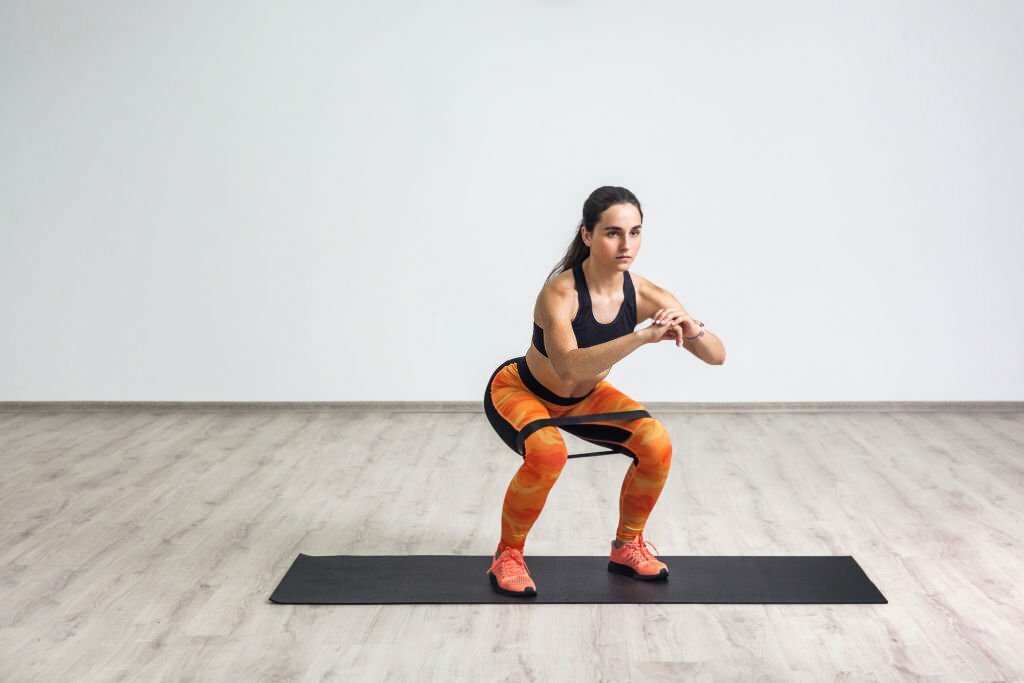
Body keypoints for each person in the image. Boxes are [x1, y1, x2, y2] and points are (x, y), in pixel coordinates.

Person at [482, 185, 727, 597]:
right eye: (613, 232)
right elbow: (569, 364)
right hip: (521, 390)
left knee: (655, 442)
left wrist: (690, 326)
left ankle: (627, 545)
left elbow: (716, 356)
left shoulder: (646, 294)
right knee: (547, 452)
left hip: (585, 398)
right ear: (587, 236)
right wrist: (644, 337)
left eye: (635, 232)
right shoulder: (560, 293)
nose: (625, 244)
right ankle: (507, 555)